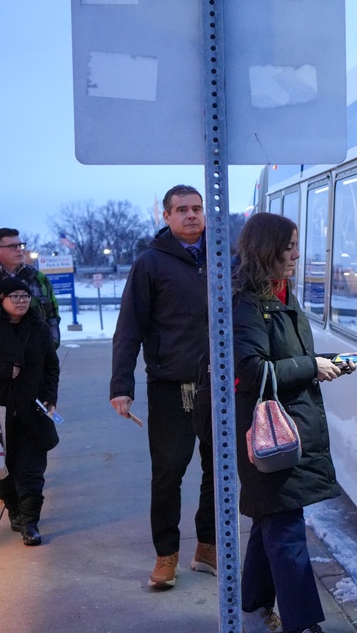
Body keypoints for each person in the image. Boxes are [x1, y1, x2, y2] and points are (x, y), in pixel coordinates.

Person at [231, 213, 355, 633]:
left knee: (271, 522)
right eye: (289, 246)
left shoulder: (280, 295)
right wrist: (311, 366)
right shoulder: (248, 302)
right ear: (267, 249)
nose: (297, 254)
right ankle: (302, 625)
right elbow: (251, 370)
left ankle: (251, 606)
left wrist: (323, 364)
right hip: (267, 437)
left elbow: (282, 358)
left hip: (283, 433)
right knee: (286, 535)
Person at [109, 184, 216, 589]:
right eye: (182, 209)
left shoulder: (222, 258)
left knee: (219, 472)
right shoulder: (150, 263)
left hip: (219, 387)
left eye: (197, 208)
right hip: (170, 386)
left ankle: (208, 547)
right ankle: (166, 555)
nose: (191, 215)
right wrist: (122, 384)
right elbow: (129, 328)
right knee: (169, 472)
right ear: (167, 217)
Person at [0, 278, 60, 546]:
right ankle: (14, 510)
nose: (21, 301)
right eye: (15, 296)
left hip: (33, 410)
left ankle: (30, 522)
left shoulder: (40, 330)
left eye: (25, 296)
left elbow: (51, 368)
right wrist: (0, 370)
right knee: (3, 469)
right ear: (1, 299)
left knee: (32, 470)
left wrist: (50, 397)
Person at [0, 228, 60, 348]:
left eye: (20, 245)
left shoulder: (39, 279)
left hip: (36, 357)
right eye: (13, 246)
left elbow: (52, 316)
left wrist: (51, 344)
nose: (19, 250)